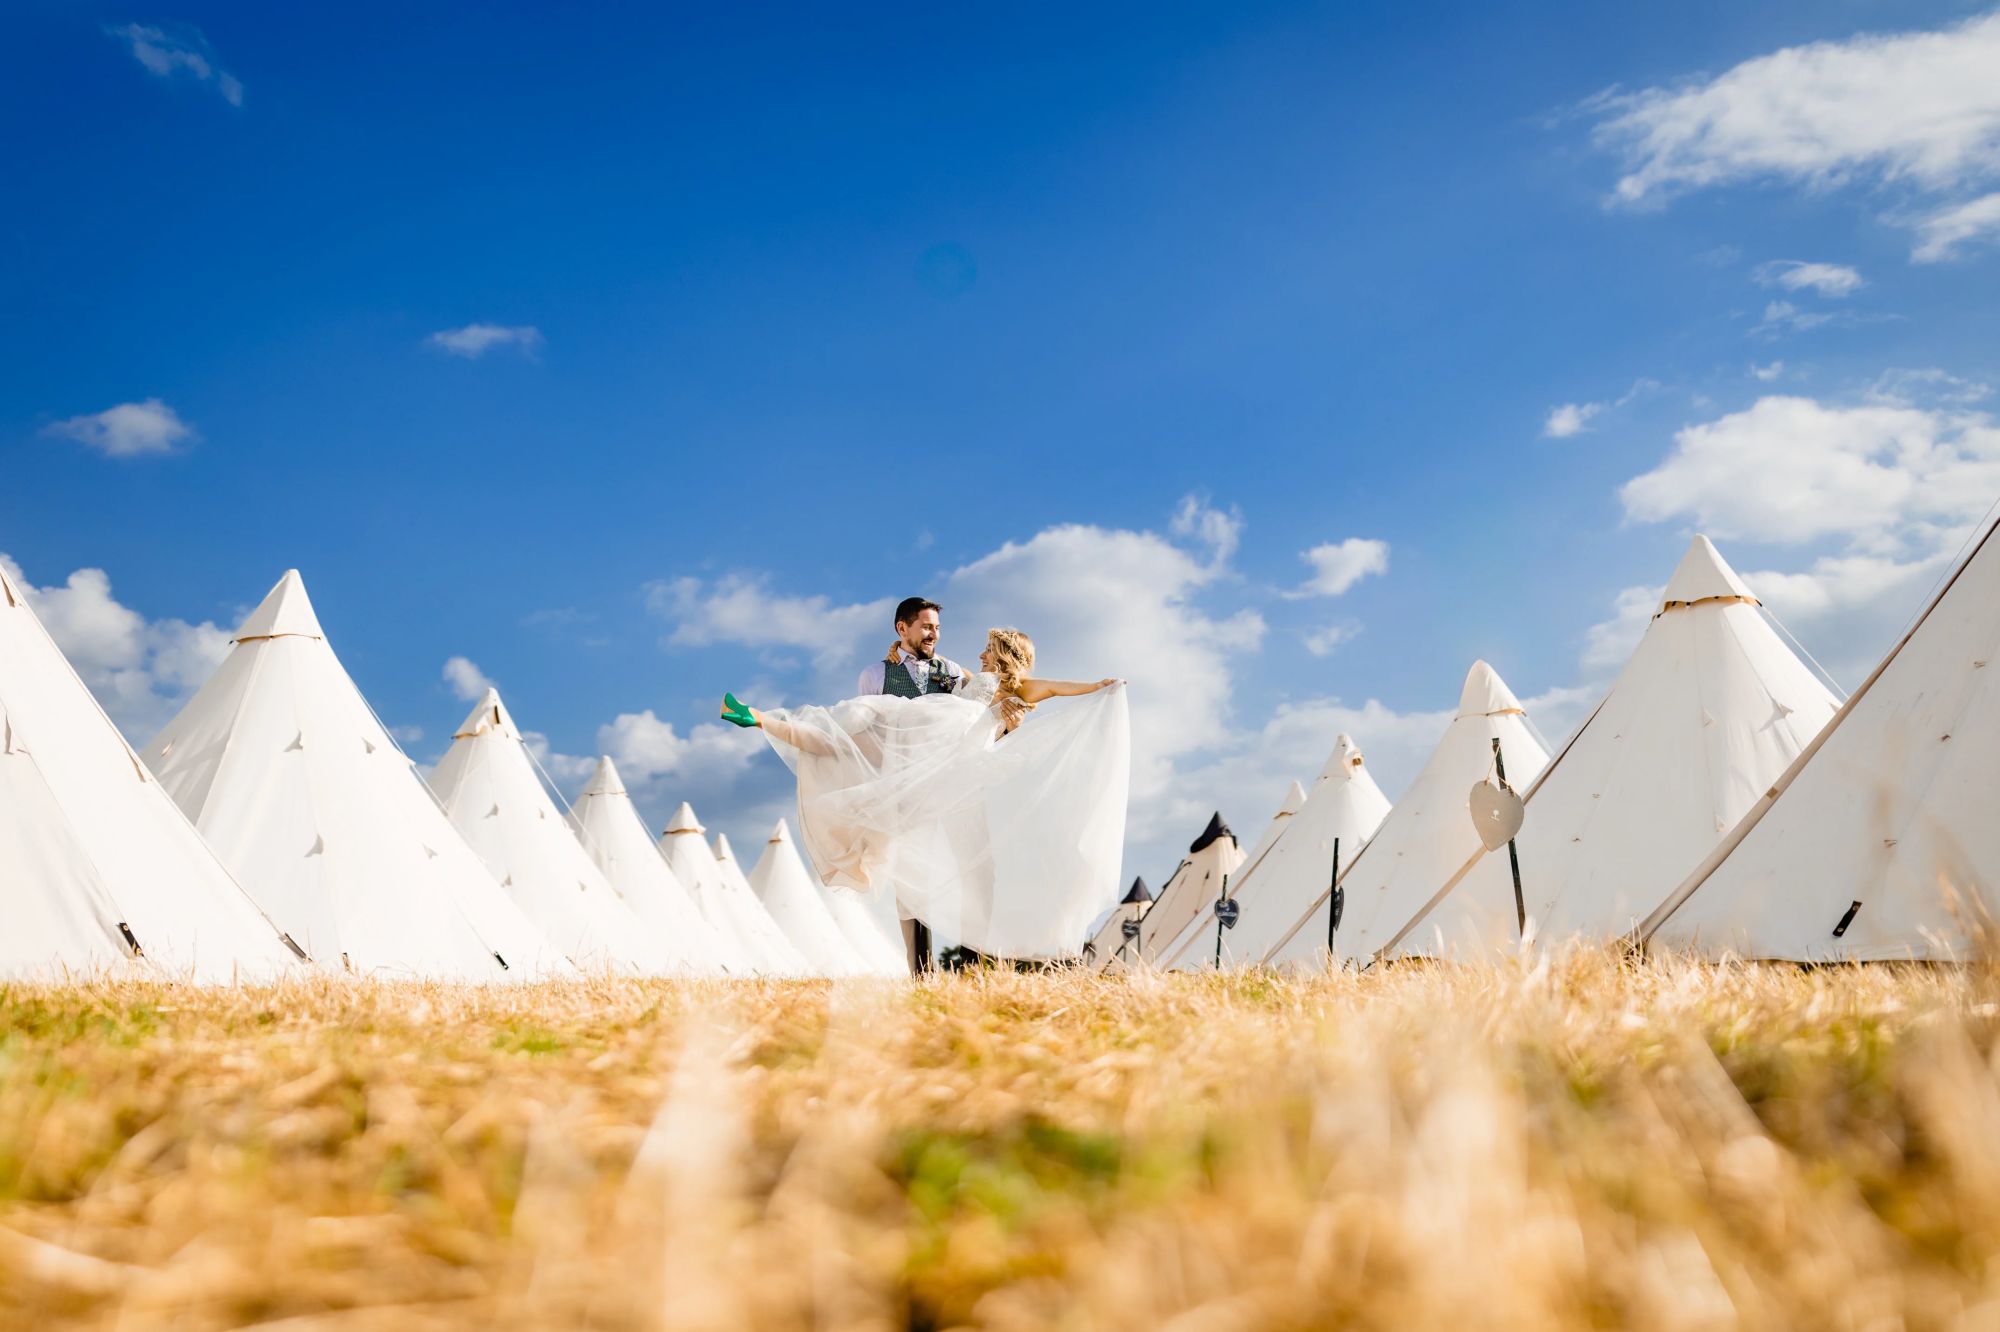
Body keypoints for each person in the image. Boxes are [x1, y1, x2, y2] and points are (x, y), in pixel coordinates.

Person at [718, 626, 1129, 963]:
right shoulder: (969, 676)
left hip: (959, 766)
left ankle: (975, 957)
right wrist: (898, 651)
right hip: (933, 746)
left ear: (1006, 654)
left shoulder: (1017, 689)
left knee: (971, 870)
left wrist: (1098, 685)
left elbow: (1057, 689)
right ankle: (762, 720)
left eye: (989, 648)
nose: (982, 653)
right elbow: (934, 664)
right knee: (860, 721)